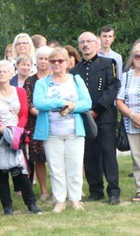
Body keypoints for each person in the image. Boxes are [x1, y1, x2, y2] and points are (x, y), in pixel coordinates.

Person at [33, 47, 92, 212]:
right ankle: (60, 199)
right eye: (53, 61)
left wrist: (72, 106)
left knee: (75, 165)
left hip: (74, 130)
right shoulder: (42, 82)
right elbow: (39, 102)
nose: (56, 64)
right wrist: (61, 103)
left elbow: (87, 102)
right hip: (51, 131)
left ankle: (75, 199)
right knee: (55, 166)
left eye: (60, 60)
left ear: (67, 62)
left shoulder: (76, 80)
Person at [71, 31, 121, 204]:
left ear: (97, 45)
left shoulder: (108, 63)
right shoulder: (74, 70)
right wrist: (86, 112)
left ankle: (113, 191)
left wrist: (97, 110)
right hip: (85, 118)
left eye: (89, 41)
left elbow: (112, 88)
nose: (86, 45)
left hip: (105, 116)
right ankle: (95, 190)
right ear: (79, 46)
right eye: (82, 42)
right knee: (89, 154)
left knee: (108, 153)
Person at [0, 61, 41, 215]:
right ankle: (7, 207)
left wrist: (17, 131)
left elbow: (24, 113)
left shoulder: (20, 92)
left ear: (12, 74)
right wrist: (4, 130)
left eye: (5, 71)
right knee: (2, 172)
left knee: (23, 170)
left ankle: (31, 204)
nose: (2, 74)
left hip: (18, 135)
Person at [22, 46, 53, 200]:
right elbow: (27, 103)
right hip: (36, 124)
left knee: (56, 158)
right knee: (39, 158)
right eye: (40, 58)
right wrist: (43, 115)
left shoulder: (57, 78)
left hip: (57, 122)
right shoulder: (30, 81)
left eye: (47, 58)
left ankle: (57, 191)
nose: (43, 61)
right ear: (36, 60)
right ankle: (43, 191)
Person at [116, 42, 140, 202]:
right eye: (137, 55)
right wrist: (133, 116)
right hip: (132, 122)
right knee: (137, 158)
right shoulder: (126, 76)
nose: (139, 58)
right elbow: (119, 101)